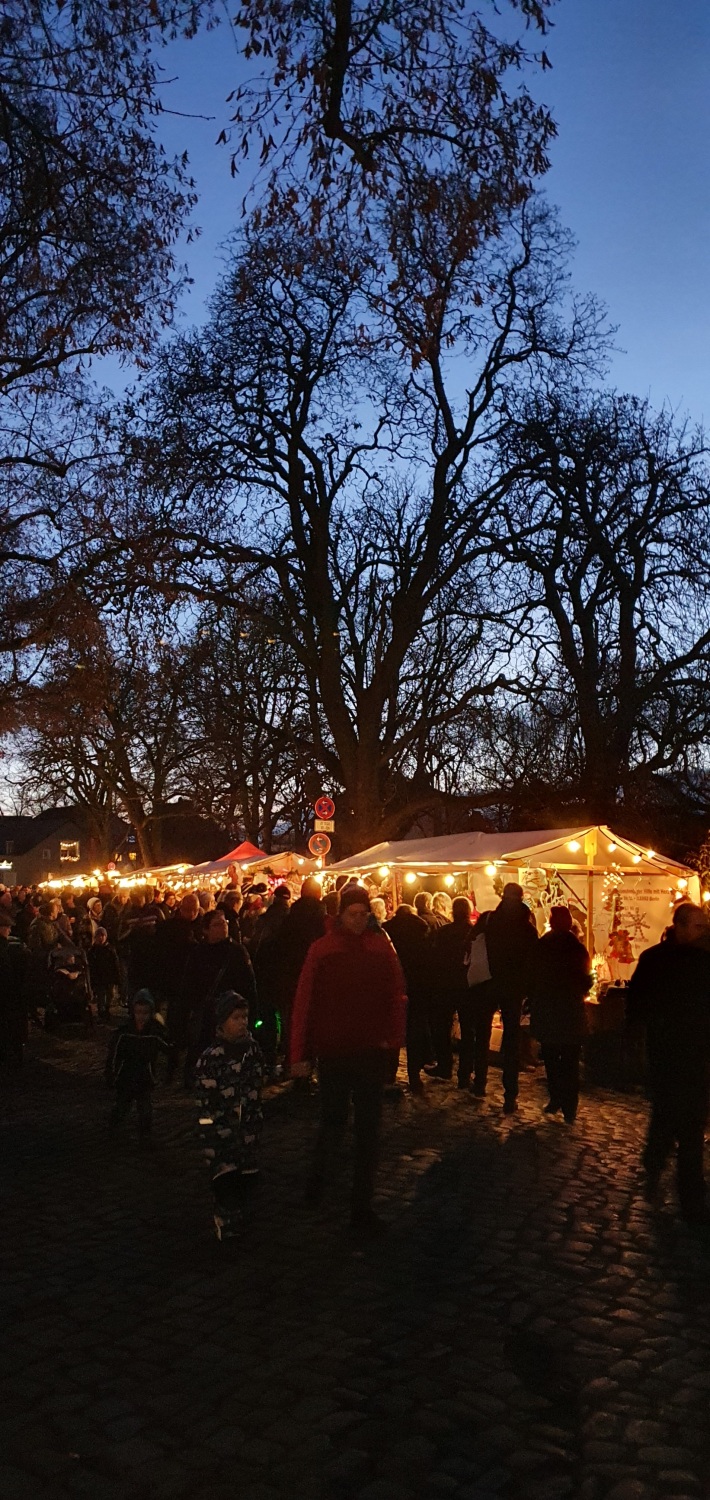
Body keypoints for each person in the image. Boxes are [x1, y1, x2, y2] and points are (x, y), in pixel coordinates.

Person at [290, 884, 406, 1236]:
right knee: (333, 1121)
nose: (358, 919)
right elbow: (304, 1003)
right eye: (353, 913)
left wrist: (393, 1042)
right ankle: (318, 1181)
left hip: (369, 1050)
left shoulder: (381, 949)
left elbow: (396, 995)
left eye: (363, 913)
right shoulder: (322, 949)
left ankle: (361, 1205)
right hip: (335, 1052)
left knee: (369, 1132)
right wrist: (299, 1054)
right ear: (340, 914)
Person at [627, 902, 710, 1224]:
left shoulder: (703, 961)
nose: (703, 930)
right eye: (698, 925)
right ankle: (657, 1164)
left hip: (693, 1054)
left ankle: (690, 1197)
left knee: (689, 1126)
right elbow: (638, 1003)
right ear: (680, 926)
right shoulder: (654, 960)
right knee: (668, 1115)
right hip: (667, 1053)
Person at [195, 991, 265, 1240]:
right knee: (225, 1182)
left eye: (245, 1017)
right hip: (220, 1136)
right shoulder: (210, 1059)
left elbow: (257, 1086)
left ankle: (244, 1219)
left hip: (247, 1132)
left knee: (247, 1180)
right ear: (222, 1022)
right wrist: (209, 1131)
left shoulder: (253, 1051)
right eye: (236, 1017)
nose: (243, 1022)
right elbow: (205, 1103)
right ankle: (225, 1224)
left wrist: (256, 1120)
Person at [528, 906, 591, 1122]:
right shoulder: (577, 948)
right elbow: (585, 978)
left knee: (553, 1059)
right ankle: (569, 1106)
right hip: (570, 1011)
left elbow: (533, 975)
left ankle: (556, 1098)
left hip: (549, 1010)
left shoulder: (543, 945)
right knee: (570, 1061)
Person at [180, 908, 257, 1086]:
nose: (223, 927)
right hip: (207, 1012)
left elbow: (249, 983)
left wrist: (251, 1012)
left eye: (224, 923)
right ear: (206, 930)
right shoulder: (198, 953)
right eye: (217, 924)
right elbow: (189, 983)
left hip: (231, 1011)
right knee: (203, 1046)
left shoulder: (237, 951)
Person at [485, 882, 538, 1113]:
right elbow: (533, 959)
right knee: (511, 1036)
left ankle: (478, 1081)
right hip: (514, 987)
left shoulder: (491, 921)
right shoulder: (527, 928)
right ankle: (510, 1092)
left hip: (490, 982)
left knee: (483, 1028)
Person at [105, 990, 169, 1143]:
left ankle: (145, 1136)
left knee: (145, 1110)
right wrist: (111, 1074)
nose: (141, 1016)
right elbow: (114, 1054)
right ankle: (114, 1130)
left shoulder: (154, 1032)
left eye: (145, 1013)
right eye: (138, 1012)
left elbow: (168, 1047)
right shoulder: (124, 1033)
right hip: (125, 1077)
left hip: (144, 1078)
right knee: (121, 1107)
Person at [383, 902, 432, 1094]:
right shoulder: (421, 932)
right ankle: (414, 1075)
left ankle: (390, 1073)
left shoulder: (388, 931)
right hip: (417, 987)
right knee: (415, 1032)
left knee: (393, 1030)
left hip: (394, 987)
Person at [276, 876, 326, 1059]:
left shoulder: (290, 918)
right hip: (315, 978)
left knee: (293, 1020)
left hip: (291, 977)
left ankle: (295, 1060)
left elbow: (281, 948)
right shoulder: (322, 919)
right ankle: (312, 1059)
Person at [429, 896, 476, 1084]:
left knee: (443, 1027)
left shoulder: (443, 932)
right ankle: (465, 1072)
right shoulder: (474, 933)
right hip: (467, 987)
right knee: (468, 1030)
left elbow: (434, 958)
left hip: (445, 985)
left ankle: (445, 1066)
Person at [0, 908, 29, 1070]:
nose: (10, 930)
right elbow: (6, 972)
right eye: (7, 927)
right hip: (7, 994)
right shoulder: (4, 948)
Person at [88, 927, 121, 1021]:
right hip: (99, 977)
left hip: (109, 976)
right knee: (100, 995)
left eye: (103, 935)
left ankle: (107, 1009)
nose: (101, 938)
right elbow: (91, 965)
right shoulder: (93, 951)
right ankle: (101, 1011)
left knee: (110, 994)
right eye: (99, 935)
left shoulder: (110, 949)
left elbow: (115, 963)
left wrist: (117, 978)